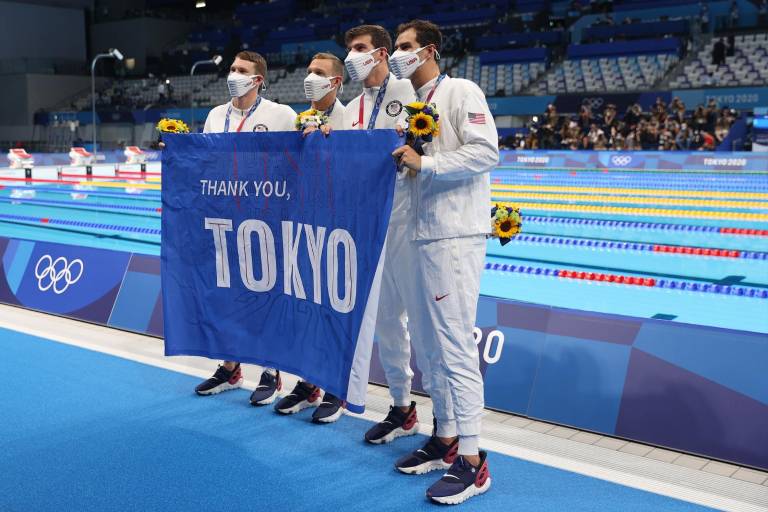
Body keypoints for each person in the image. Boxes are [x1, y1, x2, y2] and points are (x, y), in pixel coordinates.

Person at [297, 24, 425, 436]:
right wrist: (326, 143)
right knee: (387, 322)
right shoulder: (351, 109)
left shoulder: (411, 94)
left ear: (381, 53)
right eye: (349, 49)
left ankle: (449, 427)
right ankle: (401, 407)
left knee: (423, 329)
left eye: (359, 48)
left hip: (408, 225)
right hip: (367, 229)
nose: (352, 56)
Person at [390, 19, 497, 505]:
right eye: (396, 46)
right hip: (423, 234)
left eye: (406, 46)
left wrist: (426, 163)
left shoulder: (461, 91)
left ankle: (473, 461)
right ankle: (446, 437)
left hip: (454, 236)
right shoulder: (417, 104)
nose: (399, 54)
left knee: (455, 346)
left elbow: (486, 151)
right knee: (432, 347)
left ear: (430, 50)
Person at [194, 51, 296, 406]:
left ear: (258, 79)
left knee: (265, 296)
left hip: (265, 221)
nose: (233, 74)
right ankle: (230, 367)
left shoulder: (282, 115)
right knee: (226, 294)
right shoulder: (215, 115)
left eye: (241, 70)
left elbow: (300, 163)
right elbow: (205, 162)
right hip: (224, 219)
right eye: (232, 68)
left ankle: (270, 371)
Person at [271, 52, 351, 424]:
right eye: (308, 71)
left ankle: (336, 385)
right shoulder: (297, 119)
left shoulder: (350, 120)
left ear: (335, 81)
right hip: (302, 224)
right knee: (304, 305)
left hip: (338, 227)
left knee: (334, 309)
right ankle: (308, 382)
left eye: (318, 73)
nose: (309, 78)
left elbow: (356, 172)